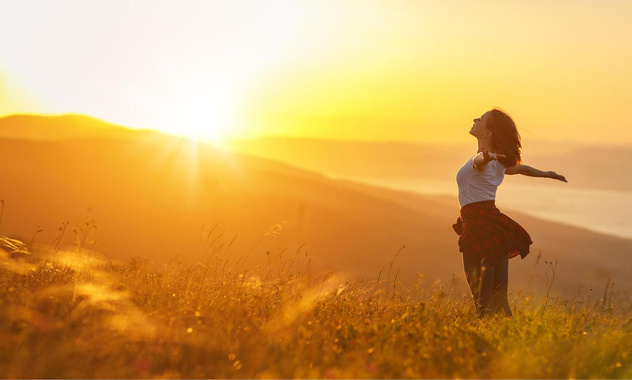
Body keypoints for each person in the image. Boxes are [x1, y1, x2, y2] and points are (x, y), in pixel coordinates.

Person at [452, 108, 567, 318]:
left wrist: (485, 157)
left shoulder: (484, 160)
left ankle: (489, 346)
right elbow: (522, 169)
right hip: (493, 226)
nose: (475, 119)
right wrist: (547, 174)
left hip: (478, 227)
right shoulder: (497, 162)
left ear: (488, 133)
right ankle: (512, 340)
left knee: (483, 305)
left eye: (481, 119)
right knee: (499, 302)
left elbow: (480, 162)